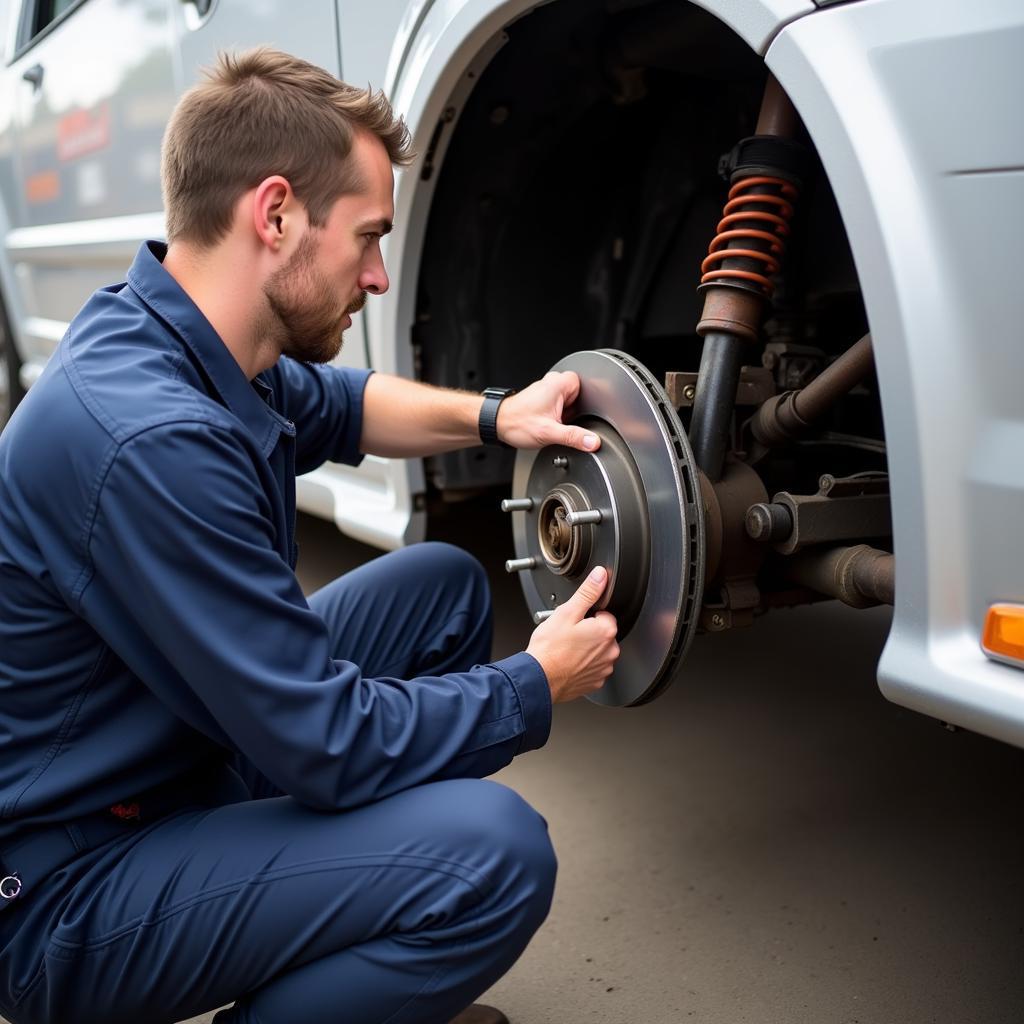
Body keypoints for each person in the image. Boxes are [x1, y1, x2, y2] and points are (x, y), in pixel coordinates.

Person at [0, 47, 620, 1024]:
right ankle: (391, 931)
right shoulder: (152, 440)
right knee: (497, 853)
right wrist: (535, 682)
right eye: (367, 237)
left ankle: (368, 966)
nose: (378, 275)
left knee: (440, 590)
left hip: (170, 760)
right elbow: (323, 745)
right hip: (64, 891)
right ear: (276, 213)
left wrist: (502, 416)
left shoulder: (179, 336)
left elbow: (341, 403)